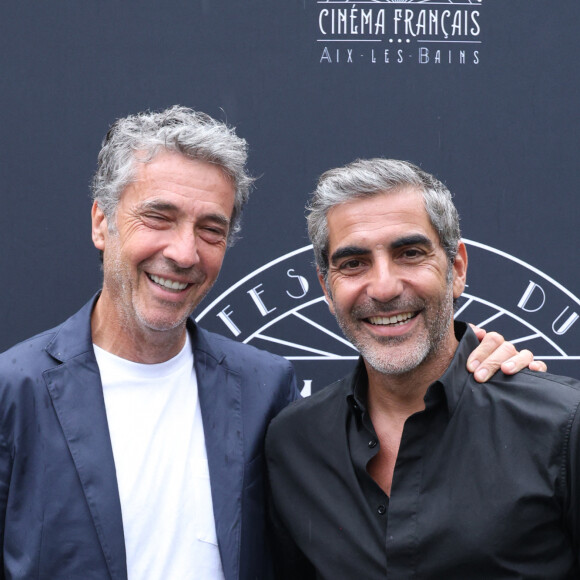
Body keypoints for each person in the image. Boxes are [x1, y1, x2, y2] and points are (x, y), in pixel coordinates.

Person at [0, 110, 539, 580]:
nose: (184, 252)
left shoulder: (263, 386)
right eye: (159, 218)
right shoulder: (14, 391)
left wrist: (484, 374)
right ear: (102, 222)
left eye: (210, 229)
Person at [265, 158, 578, 579]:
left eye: (410, 253)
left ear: (457, 269)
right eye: (353, 263)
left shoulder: (561, 427)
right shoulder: (293, 443)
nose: (384, 287)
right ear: (326, 287)